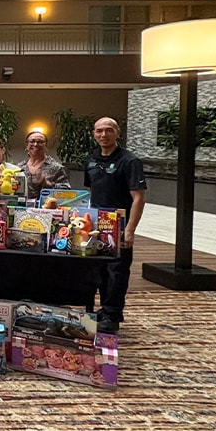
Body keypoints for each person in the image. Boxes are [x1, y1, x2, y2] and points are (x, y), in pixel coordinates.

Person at [84, 116, 146, 335]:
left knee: (117, 271)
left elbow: (138, 198)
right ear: (94, 134)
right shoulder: (91, 159)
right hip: (97, 225)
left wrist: (130, 230)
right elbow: (92, 193)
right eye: (99, 131)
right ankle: (106, 309)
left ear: (117, 133)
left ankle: (112, 315)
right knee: (99, 270)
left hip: (119, 225)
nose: (103, 135)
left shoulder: (129, 161)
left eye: (108, 130)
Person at [18, 131, 70, 203]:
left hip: (47, 209)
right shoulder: (19, 168)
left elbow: (66, 193)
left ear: (46, 146)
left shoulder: (57, 168)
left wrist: (47, 184)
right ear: (26, 145)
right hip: (22, 208)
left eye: (40, 142)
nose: (36, 144)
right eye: (32, 141)